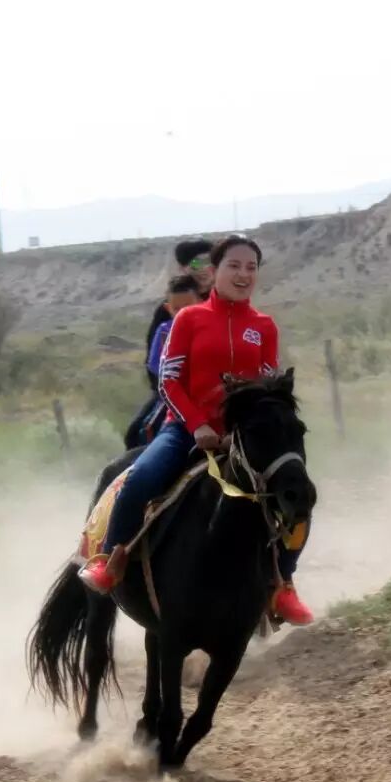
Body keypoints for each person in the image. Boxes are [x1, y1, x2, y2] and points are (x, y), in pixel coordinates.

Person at [80, 234, 314, 626]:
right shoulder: (188, 319)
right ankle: (111, 560)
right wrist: (198, 425)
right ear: (215, 271)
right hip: (185, 430)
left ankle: (283, 584)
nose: (243, 274)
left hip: (242, 437)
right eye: (234, 266)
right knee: (141, 478)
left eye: (251, 267)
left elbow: (268, 387)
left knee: (298, 492)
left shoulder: (264, 326)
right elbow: (169, 381)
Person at [124, 238, 213, 448]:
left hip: (220, 386)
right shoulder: (166, 310)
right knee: (135, 434)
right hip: (174, 389)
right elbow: (153, 361)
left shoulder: (226, 301)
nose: (203, 269)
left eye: (208, 262)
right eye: (195, 263)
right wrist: (168, 389)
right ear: (183, 268)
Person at [134, 275, 202, 445]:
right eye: (176, 308)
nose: (182, 313)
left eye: (188, 307)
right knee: (146, 428)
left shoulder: (209, 328)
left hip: (206, 391)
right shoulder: (164, 332)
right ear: (167, 308)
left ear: (201, 303)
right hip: (172, 393)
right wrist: (172, 379)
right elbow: (154, 364)